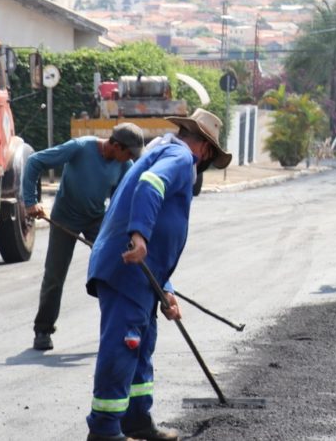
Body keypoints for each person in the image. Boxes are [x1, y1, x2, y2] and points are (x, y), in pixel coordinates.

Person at [84, 108, 231, 441]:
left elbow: (162, 231)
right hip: (127, 268)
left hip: (143, 275)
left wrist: (166, 289)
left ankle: (137, 422)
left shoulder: (165, 151)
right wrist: (139, 235)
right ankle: (105, 431)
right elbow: (150, 187)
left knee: (141, 345)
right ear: (205, 150)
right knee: (124, 345)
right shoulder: (180, 157)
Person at [23, 123, 145, 351]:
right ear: (116, 145)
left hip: (97, 220)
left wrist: (127, 234)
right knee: (54, 275)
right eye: (128, 152)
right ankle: (43, 330)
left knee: (116, 269)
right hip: (65, 217)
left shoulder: (124, 165)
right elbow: (34, 162)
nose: (130, 158)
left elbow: (122, 200)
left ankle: (120, 327)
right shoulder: (80, 148)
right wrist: (30, 201)